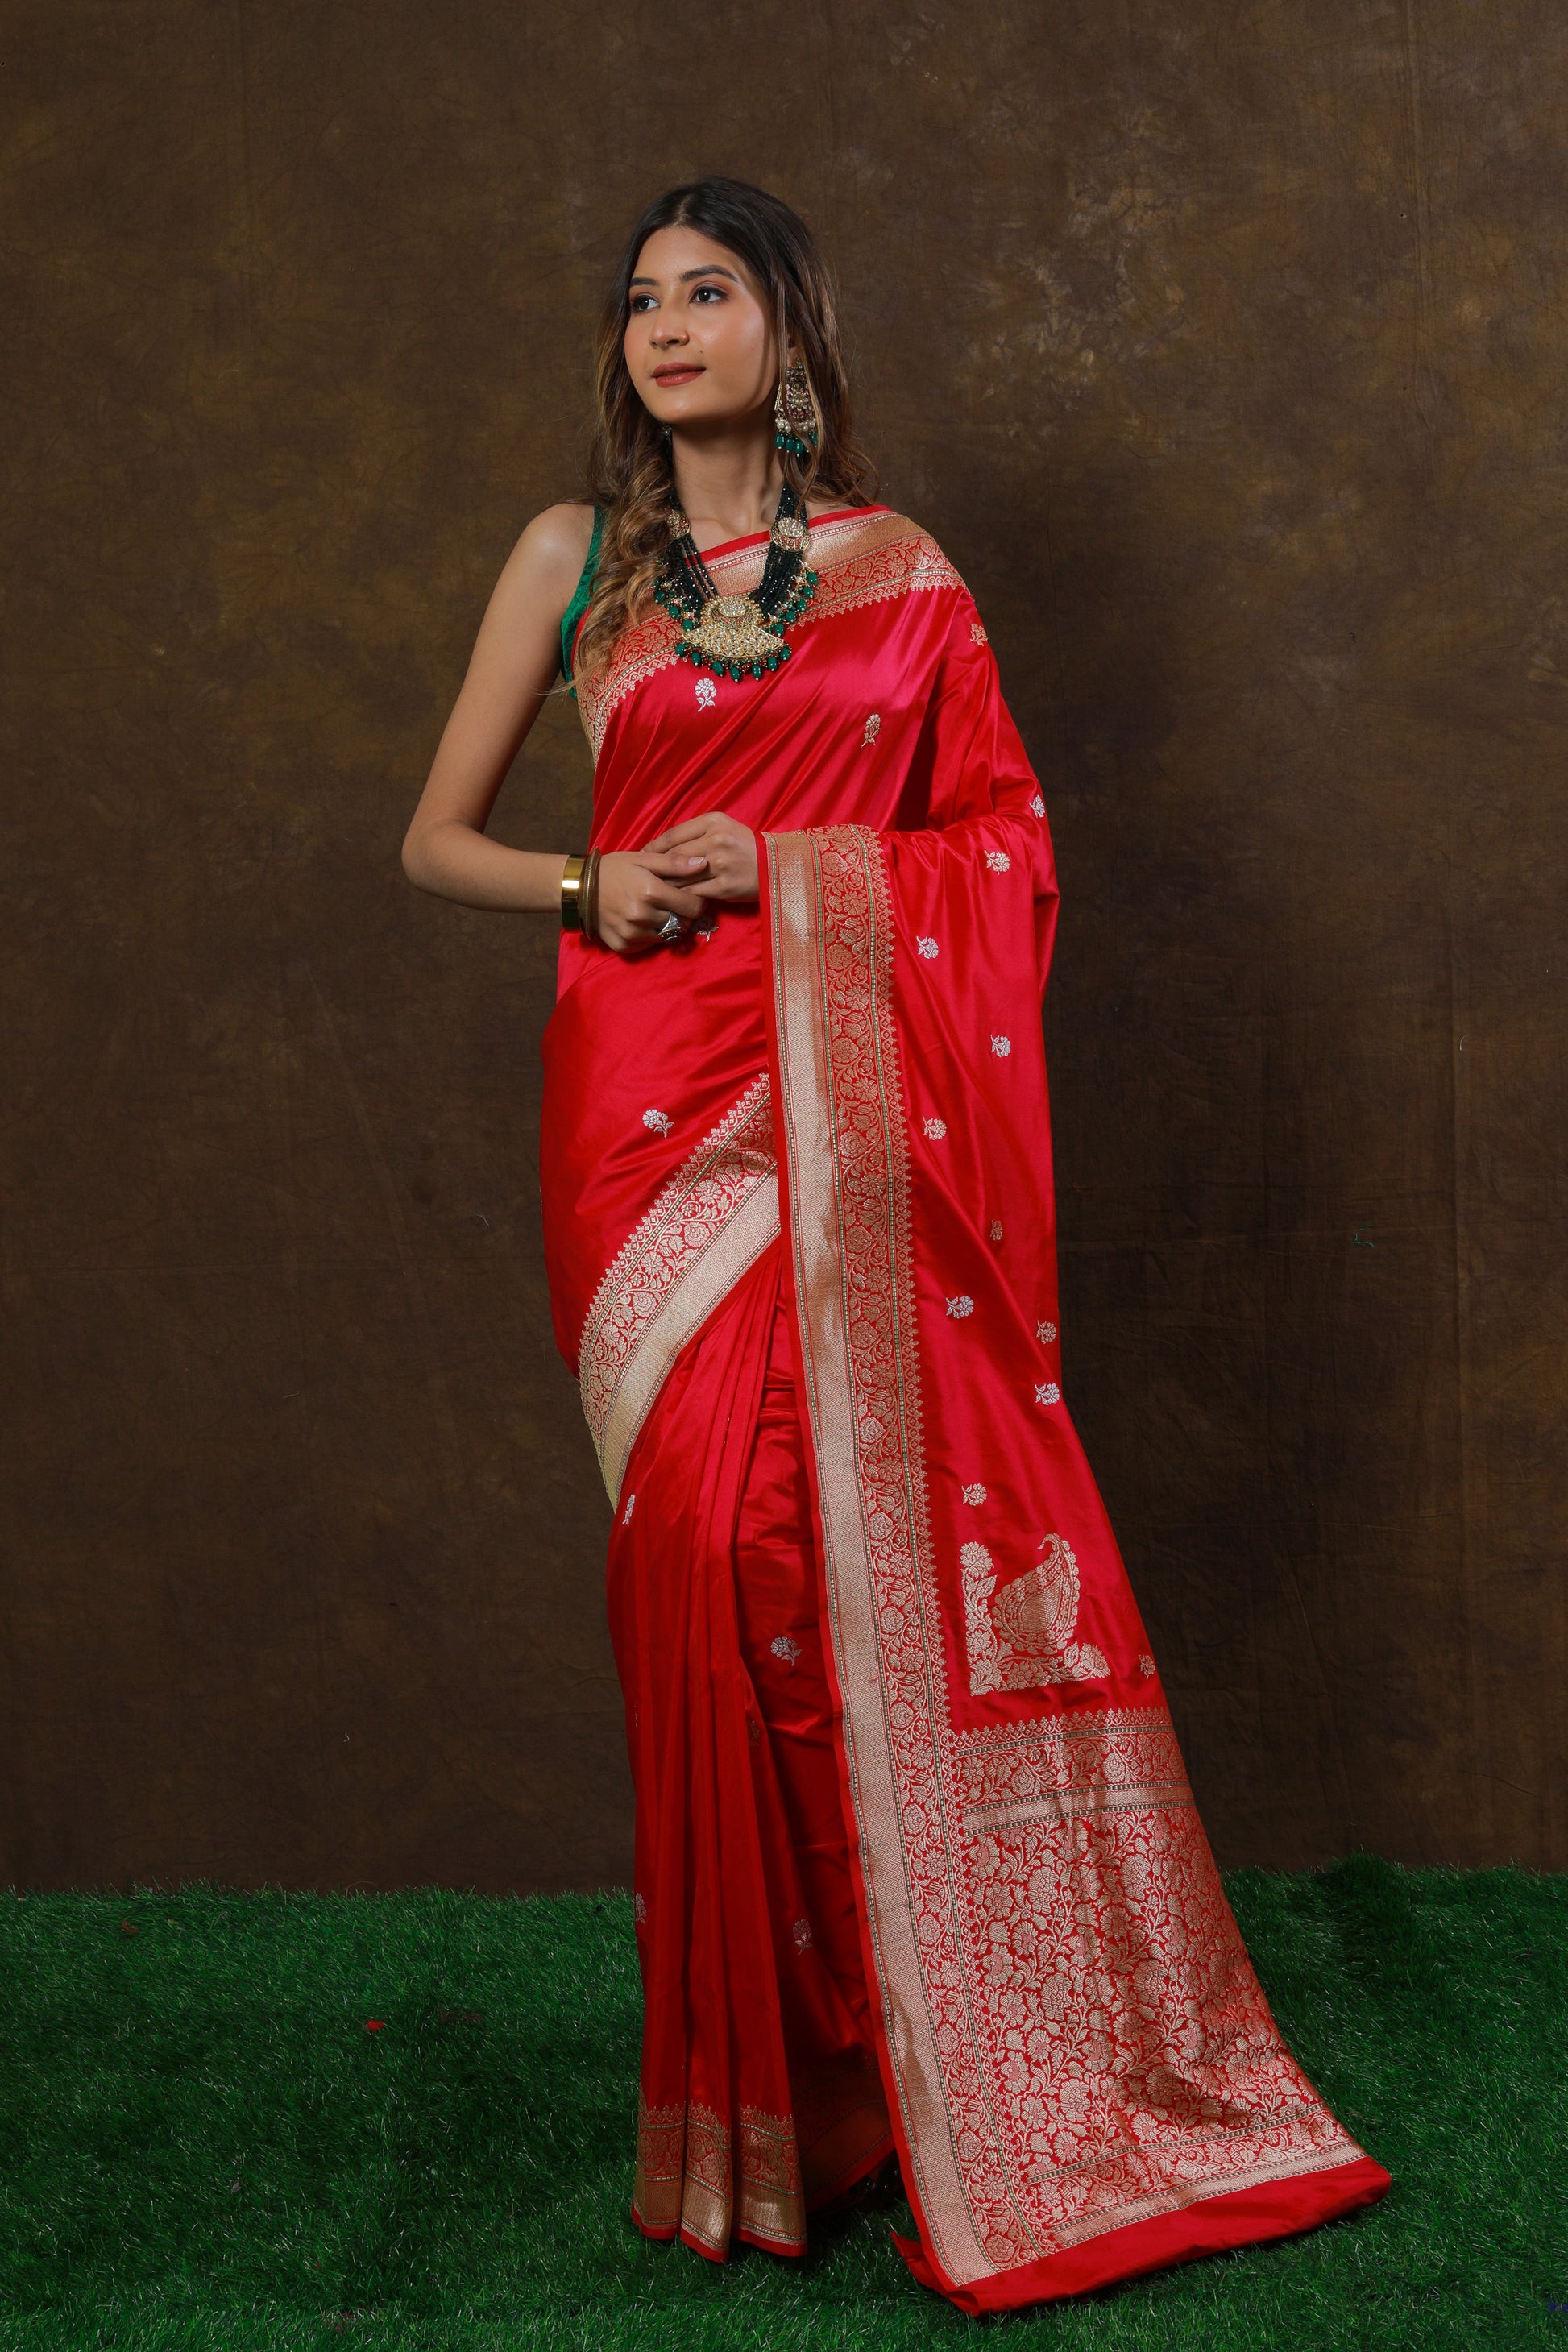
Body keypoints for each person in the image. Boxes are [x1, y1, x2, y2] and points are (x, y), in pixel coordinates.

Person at [400, 175, 1390, 2314]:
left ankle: (881, 2076)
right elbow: (432, 836)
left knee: (808, 1556)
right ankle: (765, 2105)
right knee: (697, 1556)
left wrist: (791, 867)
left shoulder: (903, 574)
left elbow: (1002, 849)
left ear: (790, 328)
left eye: (711, 290)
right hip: (644, 1105)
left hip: (843, 1099)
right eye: (640, 298)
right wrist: (586, 885)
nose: (667, 325)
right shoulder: (573, 563)